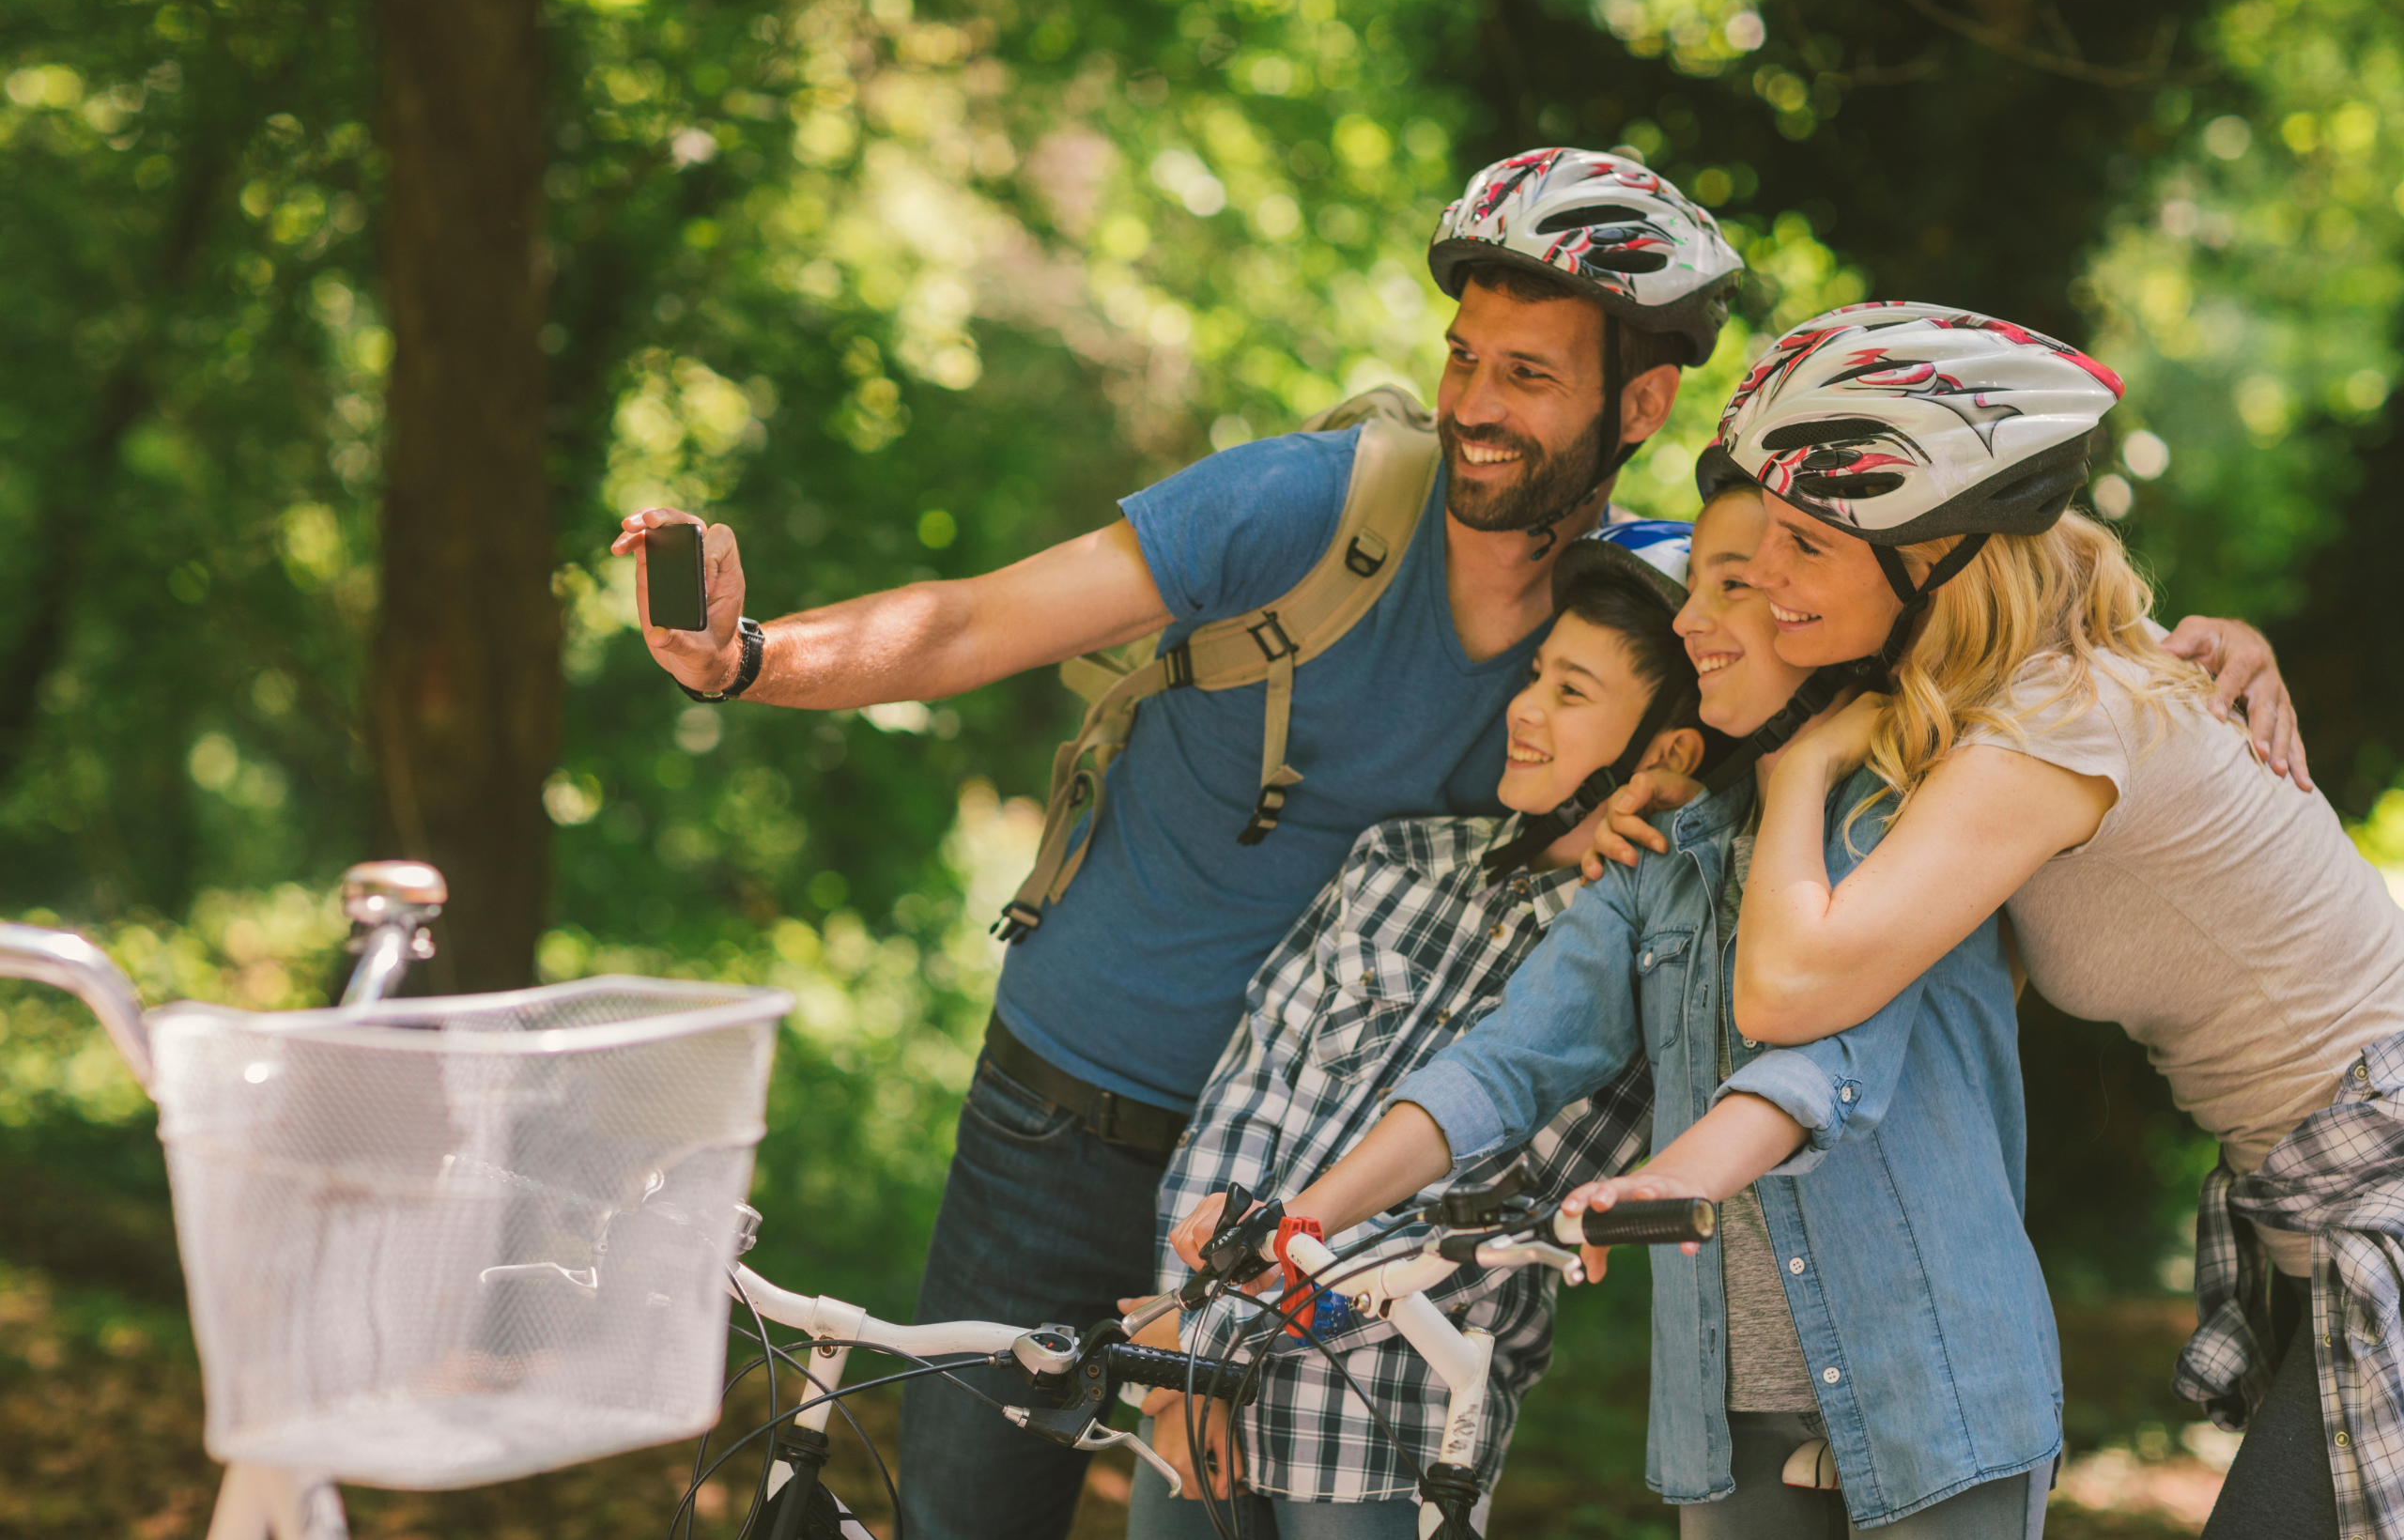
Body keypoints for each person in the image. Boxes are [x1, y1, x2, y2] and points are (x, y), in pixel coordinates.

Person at [613, 148, 1749, 1539]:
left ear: (1642, 401)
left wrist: (1665, 812)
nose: (1474, 406)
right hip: (1067, 1113)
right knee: (966, 1517)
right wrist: (746, 657)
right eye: (1464, 360)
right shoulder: (1307, 504)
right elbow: (975, 620)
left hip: (1307, 1184)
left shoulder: (1638, 628)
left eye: (1528, 375)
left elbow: (1812, 752)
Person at [1607, 300, 2404, 1540]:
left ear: (1939, 555)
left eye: (1812, 545)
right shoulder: (2037, 683)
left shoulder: (2048, 722)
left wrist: (1800, 770)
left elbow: (1787, 991)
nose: (1766, 578)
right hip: (2316, 1206)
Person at [1171, 483, 2059, 1536]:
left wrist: (1669, 1178)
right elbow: (1505, 1061)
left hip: (1930, 1381)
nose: (1693, 620)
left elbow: (1818, 1062)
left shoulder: (1907, 818)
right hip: (1729, 1412)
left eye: (1733, 588)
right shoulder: (1663, 859)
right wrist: (1310, 1212)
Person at [1123, 519, 1706, 1537]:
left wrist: (1227, 1329)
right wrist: (1189, 1344)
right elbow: (1246, 1097)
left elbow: (1475, 1210)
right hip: (1201, 1365)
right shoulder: (1399, 859)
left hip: (1387, 1423)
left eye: (1572, 693)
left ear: (1667, 747)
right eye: (1536, 676)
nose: (1524, 709)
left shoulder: (1649, 956)